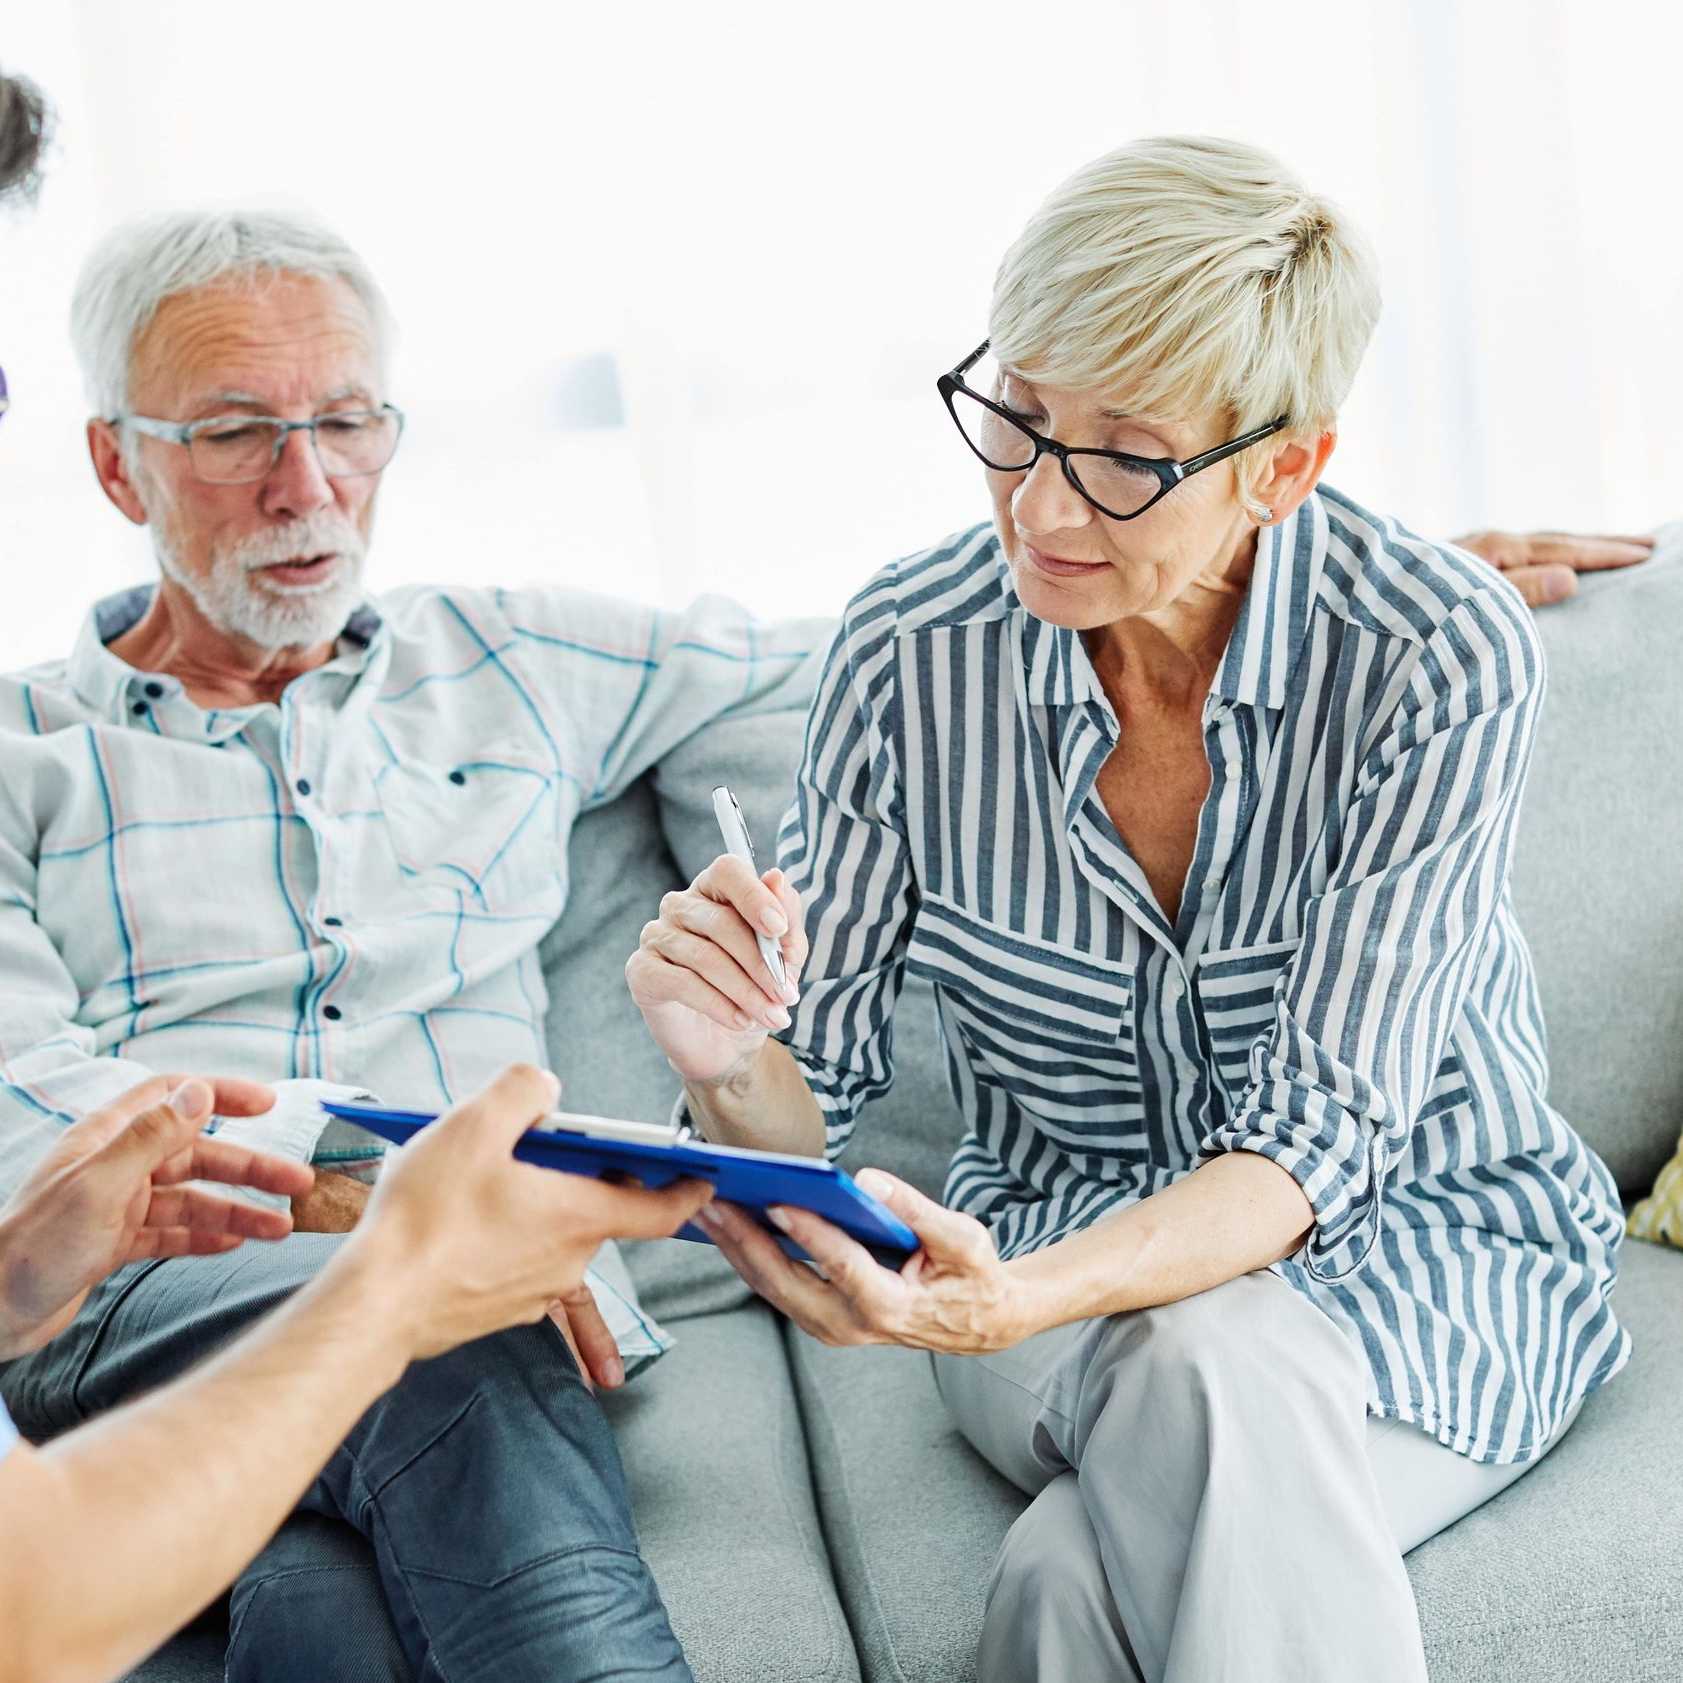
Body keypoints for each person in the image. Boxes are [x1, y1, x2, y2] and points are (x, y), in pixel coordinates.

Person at [628, 136, 1631, 1683]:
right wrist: (726, 1060)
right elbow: (800, 1111)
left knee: (1067, 1573)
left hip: (1426, 1251)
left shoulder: (1434, 653)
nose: (1038, 501)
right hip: (1042, 1255)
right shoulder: (908, 653)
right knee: (1195, 1353)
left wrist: (1013, 1299)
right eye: (1016, 415)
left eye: (1122, 455)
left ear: (1281, 468)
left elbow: (1312, 1148)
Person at [0, 194, 822, 1677]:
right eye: (235, 431)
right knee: (442, 1307)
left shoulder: (513, 655)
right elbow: (26, 1108)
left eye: (346, 421)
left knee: (324, 1612)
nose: (304, 484)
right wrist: (382, 1198)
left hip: (474, 1320)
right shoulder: (19, 752)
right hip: (140, 1301)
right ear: (116, 462)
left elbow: (844, 662)